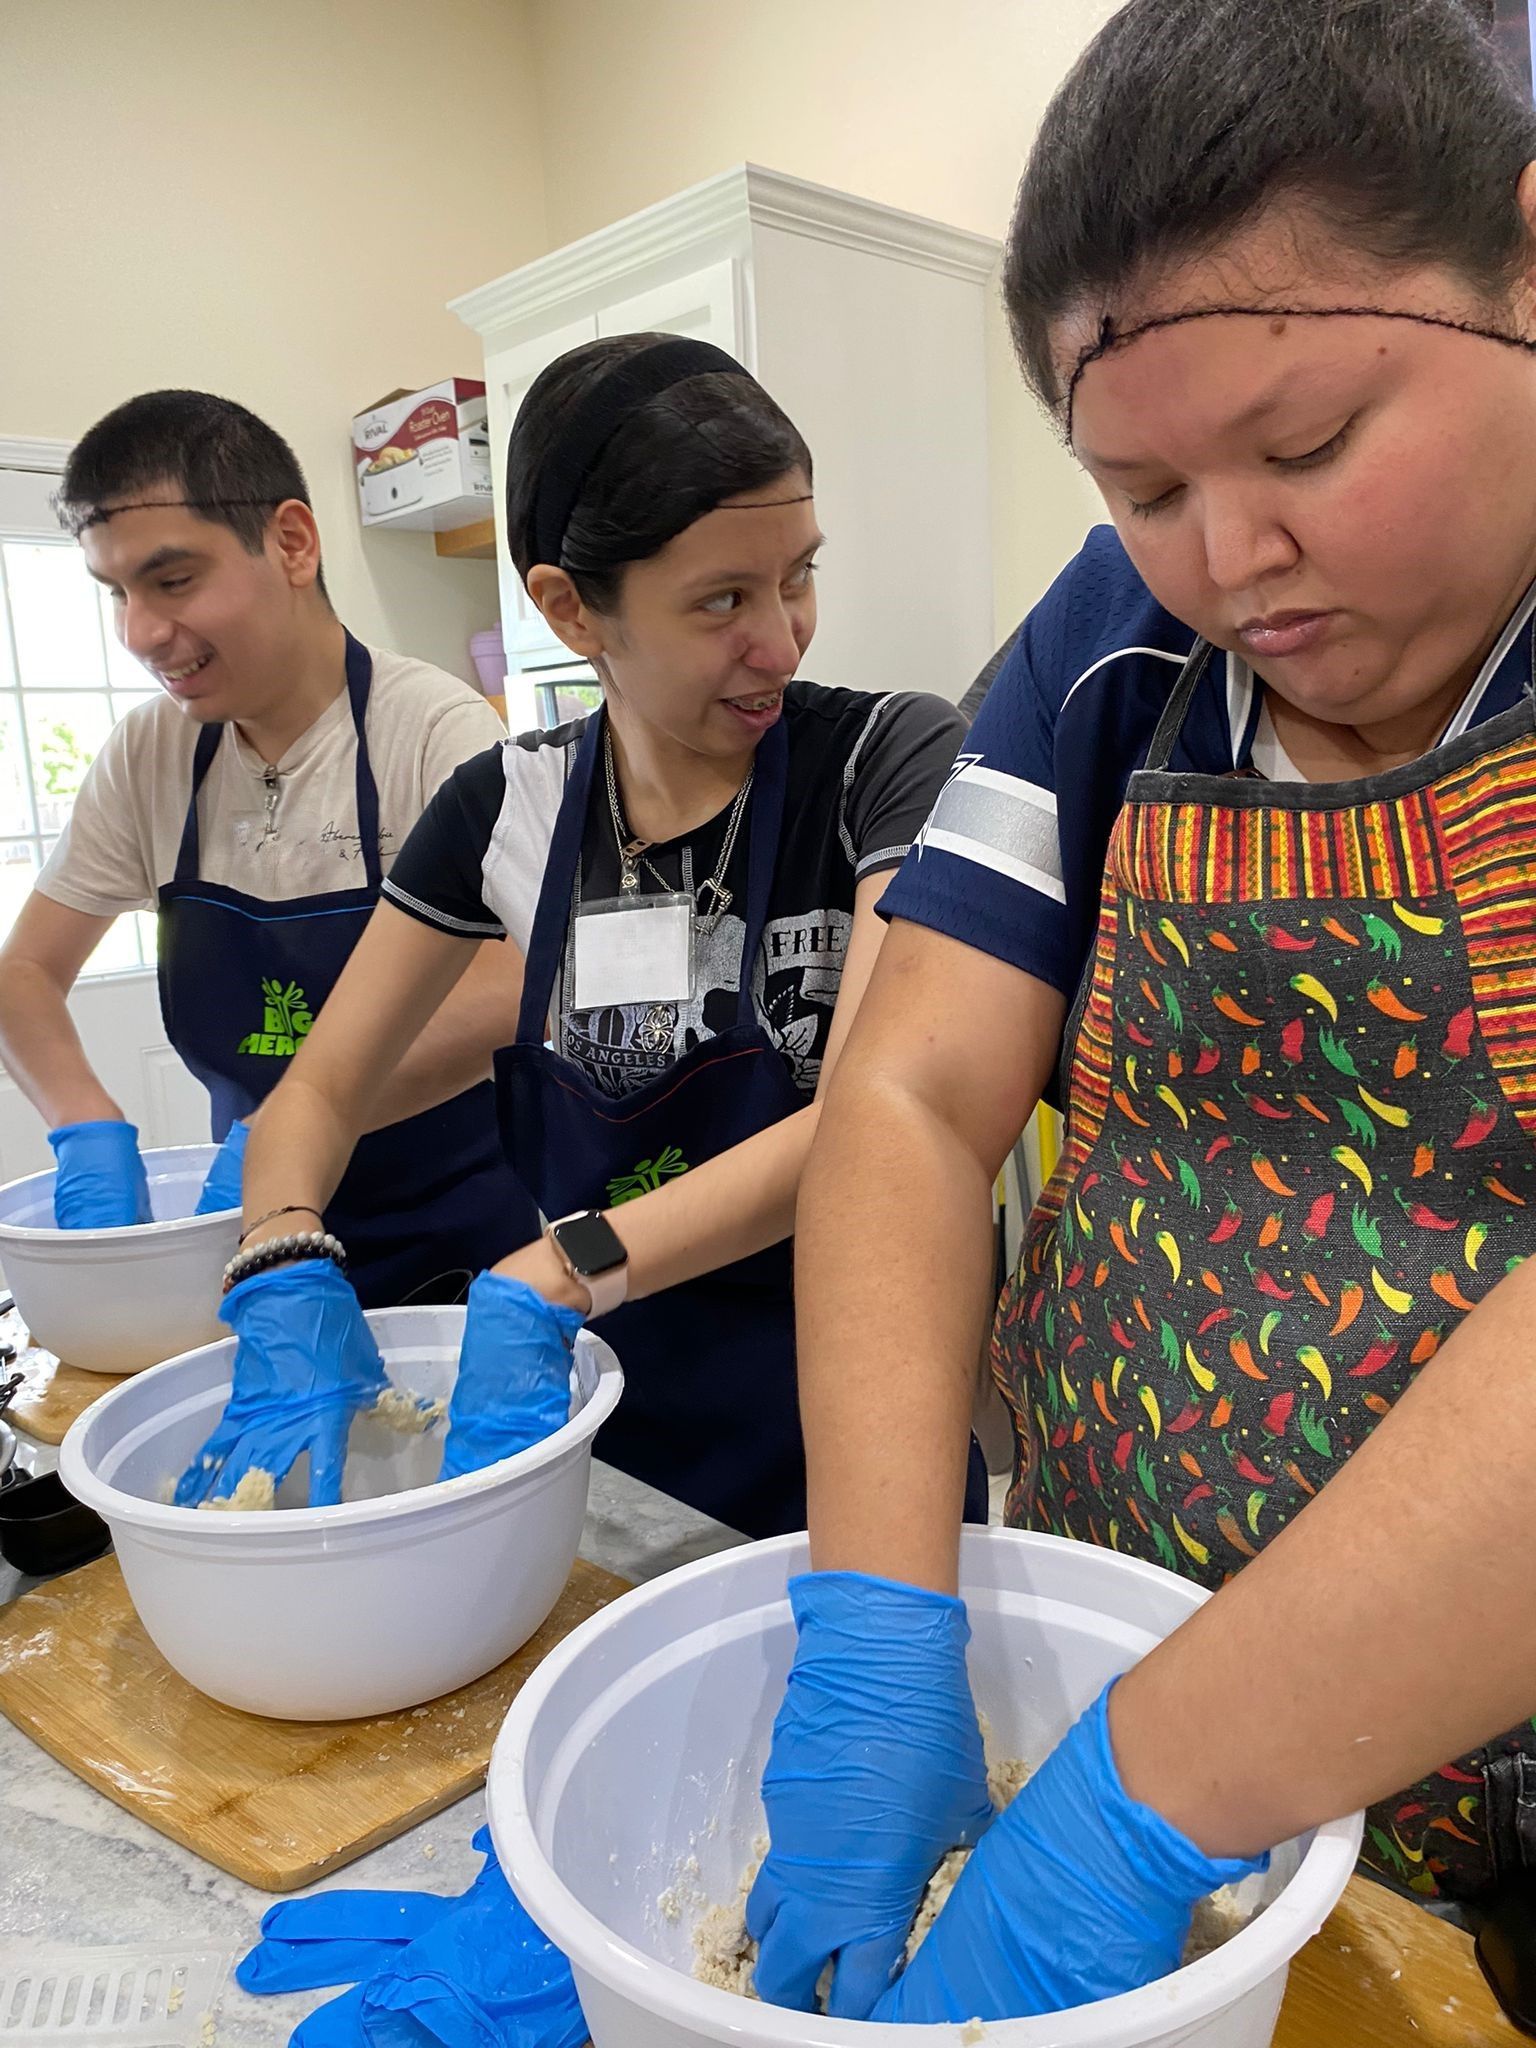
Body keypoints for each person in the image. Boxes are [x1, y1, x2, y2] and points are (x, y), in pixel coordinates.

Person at [746, 0, 1536, 2025]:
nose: (1232, 562)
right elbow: (915, 1095)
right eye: (1143, 485)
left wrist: (1135, 1807)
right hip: (1100, 1658)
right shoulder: (1120, 652)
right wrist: (877, 1614)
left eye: (1307, 447)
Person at [198, 332, 978, 1535]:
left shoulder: (882, 762)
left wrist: (564, 1268)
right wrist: (283, 1251)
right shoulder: (505, 809)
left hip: (854, 1434)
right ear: (569, 606)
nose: (782, 638)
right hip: (603, 1437)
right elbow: (316, 1095)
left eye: (798, 575)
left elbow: (869, 1118)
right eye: (723, 599)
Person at [0, 390, 537, 1304]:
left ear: (292, 542)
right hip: (247, 1230)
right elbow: (24, 975)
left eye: (172, 582)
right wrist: (83, 1123)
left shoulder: (429, 730)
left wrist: (292, 1117)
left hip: (452, 1229)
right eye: (117, 593)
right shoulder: (151, 755)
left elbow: (517, 975)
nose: (140, 633)